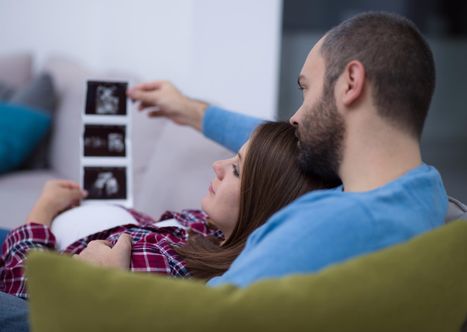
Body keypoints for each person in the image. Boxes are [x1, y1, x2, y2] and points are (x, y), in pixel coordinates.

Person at [126, 11, 448, 287]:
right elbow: (281, 144)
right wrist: (191, 111)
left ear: (350, 82)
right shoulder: (424, 190)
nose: (295, 117)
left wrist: (110, 276)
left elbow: (196, 324)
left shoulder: (317, 230)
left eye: (306, 90)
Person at [0, 122, 334, 299]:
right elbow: (151, 227)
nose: (217, 165)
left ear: (262, 202)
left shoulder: (167, 266)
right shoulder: (210, 228)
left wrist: (41, 212)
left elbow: (21, 285)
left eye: (235, 169)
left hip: (27, 260)